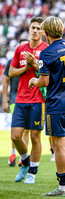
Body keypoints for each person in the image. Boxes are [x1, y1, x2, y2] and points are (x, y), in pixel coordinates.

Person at [29, 16, 65, 196]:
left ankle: (63, 187)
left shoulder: (47, 52)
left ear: (45, 33)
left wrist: (34, 80)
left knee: (58, 144)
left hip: (56, 104)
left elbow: (44, 82)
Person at [9, 17, 49, 184]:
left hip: (38, 99)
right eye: (33, 27)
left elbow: (50, 73)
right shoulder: (20, 49)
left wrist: (34, 64)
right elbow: (11, 72)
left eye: (38, 28)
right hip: (20, 98)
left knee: (34, 136)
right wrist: (26, 67)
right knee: (15, 136)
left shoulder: (47, 50)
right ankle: (25, 161)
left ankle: (32, 171)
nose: (35, 30)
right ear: (29, 29)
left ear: (43, 32)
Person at [2, 39, 29, 167]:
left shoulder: (32, 61)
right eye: (22, 45)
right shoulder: (11, 62)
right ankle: (13, 152)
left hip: (29, 98)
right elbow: (6, 81)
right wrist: (5, 100)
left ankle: (23, 157)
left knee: (27, 130)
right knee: (16, 129)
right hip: (15, 98)